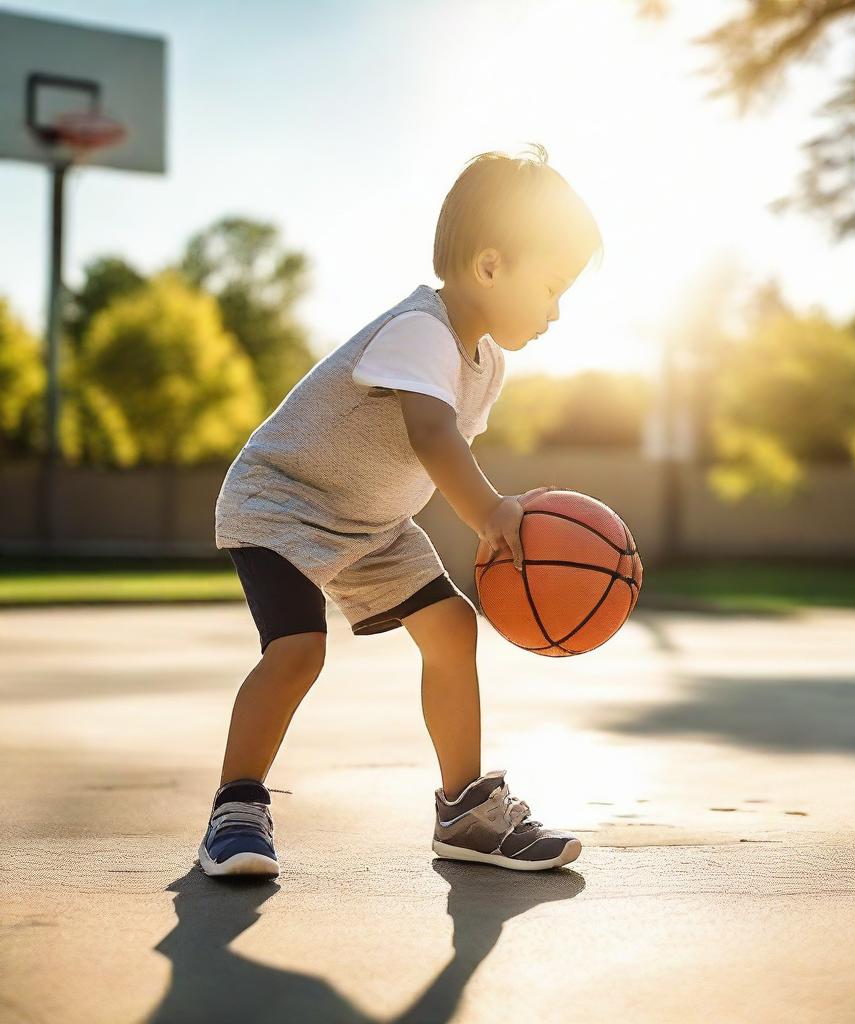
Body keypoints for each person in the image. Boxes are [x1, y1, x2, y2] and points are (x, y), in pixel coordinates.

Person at [198, 142, 603, 878]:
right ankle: (236, 809)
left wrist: (478, 515)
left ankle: (466, 812)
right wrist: (489, 513)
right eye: (551, 287)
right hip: (283, 501)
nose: (556, 311)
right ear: (489, 266)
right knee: (297, 649)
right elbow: (431, 435)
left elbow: (426, 456)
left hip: (370, 524)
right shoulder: (422, 329)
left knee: (451, 626)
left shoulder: (489, 365)